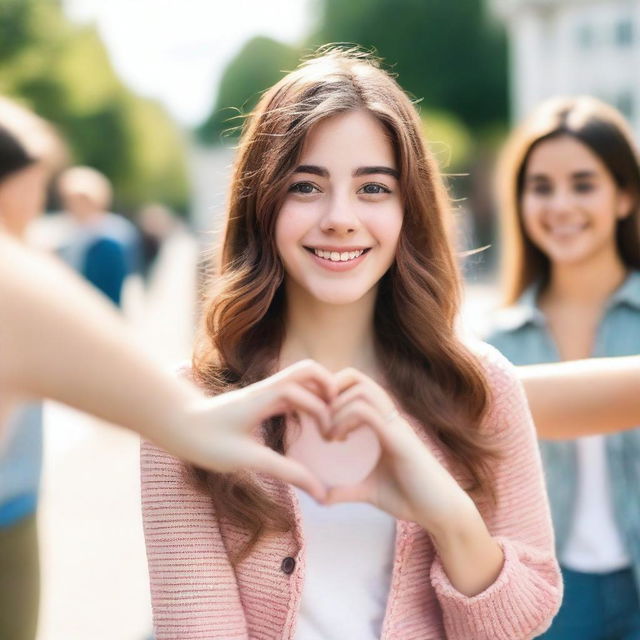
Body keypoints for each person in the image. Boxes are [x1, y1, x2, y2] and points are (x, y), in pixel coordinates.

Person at [141, 49, 562, 640]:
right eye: (307, 186)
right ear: (262, 205)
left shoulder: (481, 386)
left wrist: (444, 511)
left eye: (373, 188)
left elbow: (521, 620)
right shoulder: (192, 406)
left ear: (407, 209)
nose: (340, 218)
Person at [485, 96, 640, 639]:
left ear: (625, 196)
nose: (560, 205)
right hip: (552, 600)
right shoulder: (495, 345)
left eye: (583, 183)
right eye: (541, 187)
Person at [56, 165, 140, 307]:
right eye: (69, 200)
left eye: (81, 200)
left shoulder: (110, 242)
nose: (74, 206)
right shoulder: (63, 236)